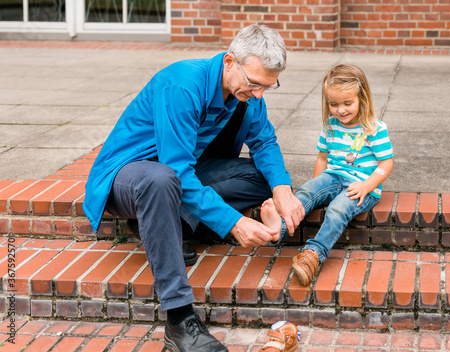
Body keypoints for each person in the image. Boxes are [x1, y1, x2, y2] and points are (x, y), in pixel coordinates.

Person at [83, 24, 304, 352]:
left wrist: (282, 191)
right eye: (255, 83)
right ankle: (179, 320)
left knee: (265, 177)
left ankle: (166, 222)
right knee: (161, 181)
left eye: (268, 87)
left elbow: (265, 140)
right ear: (229, 61)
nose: (258, 94)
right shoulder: (183, 84)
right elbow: (176, 171)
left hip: (178, 174)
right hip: (128, 178)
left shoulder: (247, 93)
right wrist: (232, 222)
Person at [261, 64, 394, 286]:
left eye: (347, 103)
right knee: (307, 191)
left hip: (361, 186)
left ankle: (313, 254)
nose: (340, 110)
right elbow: (322, 158)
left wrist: (367, 186)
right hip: (334, 176)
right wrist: (316, 183)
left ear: (362, 98)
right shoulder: (330, 125)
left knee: (338, 208)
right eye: (334, 104)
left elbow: (387, 162)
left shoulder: (374, 128)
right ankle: (280, 227)